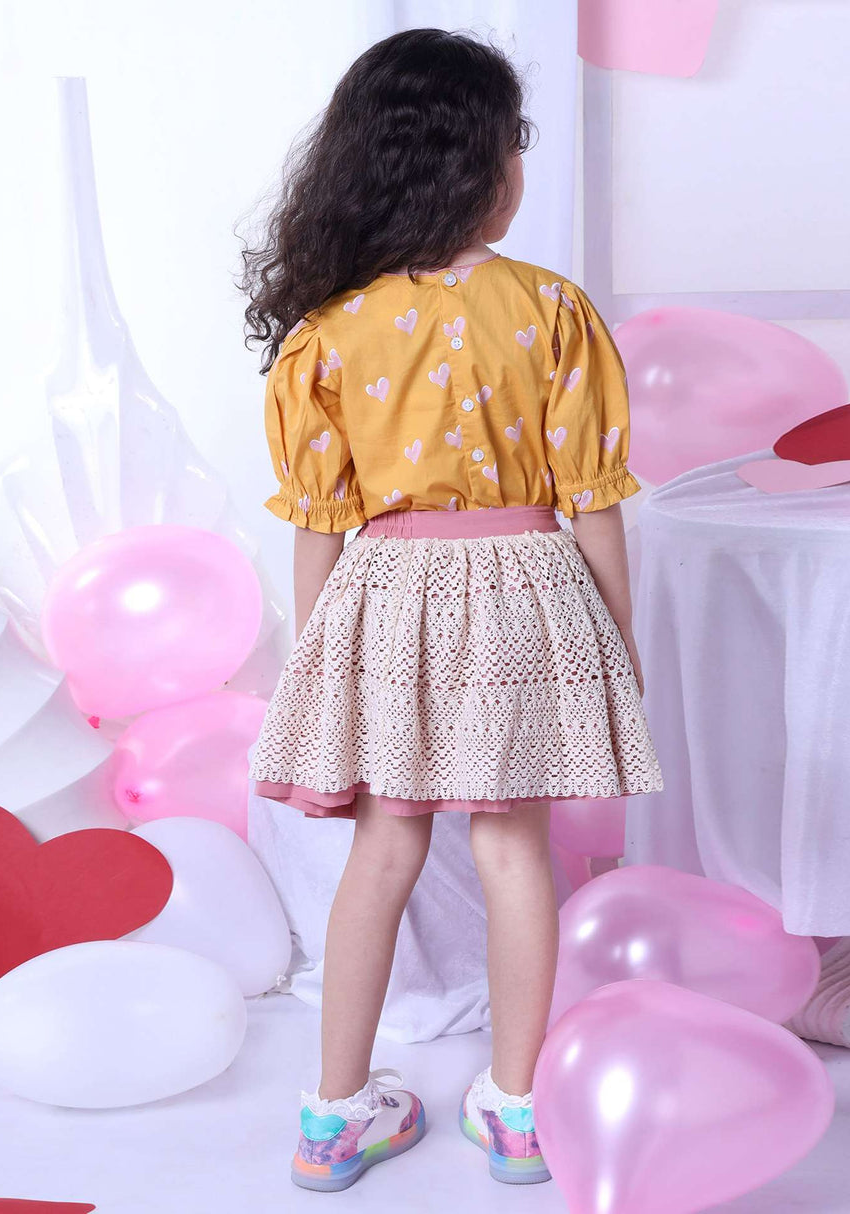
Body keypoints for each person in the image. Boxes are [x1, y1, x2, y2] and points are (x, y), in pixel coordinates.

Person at [238, 26, 662, 1193]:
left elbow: (316, 524)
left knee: (383, 848)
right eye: (512, 144)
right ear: (481, 165)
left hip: (386, 601)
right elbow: (594, 506)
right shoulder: (551, 310)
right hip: (528, 595)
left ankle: (332, 1116)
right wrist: (612, 648)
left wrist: (319, 663)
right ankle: (517, 1112)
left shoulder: (329, 331)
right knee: (514, 847)